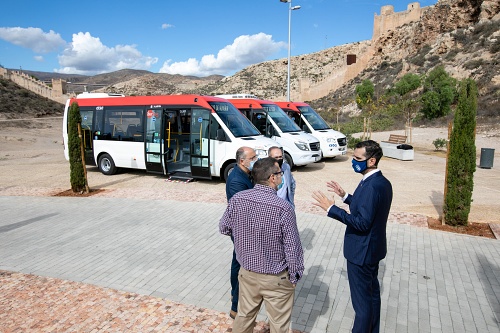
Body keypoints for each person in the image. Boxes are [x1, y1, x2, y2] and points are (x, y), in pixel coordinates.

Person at [312, 140, 393, 333]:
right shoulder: (381, 182)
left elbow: (362, 223)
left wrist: (331, 209)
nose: (354, 162)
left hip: (361, 252)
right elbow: (368, 207)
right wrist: (345, 195)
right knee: (372, 297)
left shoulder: (371, 186)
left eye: (358, 158)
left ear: (371, 160)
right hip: (373, 250)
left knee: (362, 305)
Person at [220, 157, 304, 333]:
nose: (282, 177)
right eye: (280, 173)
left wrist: (244, 237)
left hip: (248, 274)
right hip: (277, 278)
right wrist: (295, 275)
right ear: (272, 178)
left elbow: (224, 227)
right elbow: (292, 247)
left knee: (244, 317)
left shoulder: (238, 199)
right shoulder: (283, 208)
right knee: (279, 324)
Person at [225, 146, 257, 319]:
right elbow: (245, 208)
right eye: (252, 158)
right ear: (242, 160)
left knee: (237, 262)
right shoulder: (236, 180)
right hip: (241, 229)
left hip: (244, 228)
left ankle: (233, 295)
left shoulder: (246, 174)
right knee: (242, 267)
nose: (255, 160)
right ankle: (236, 307)